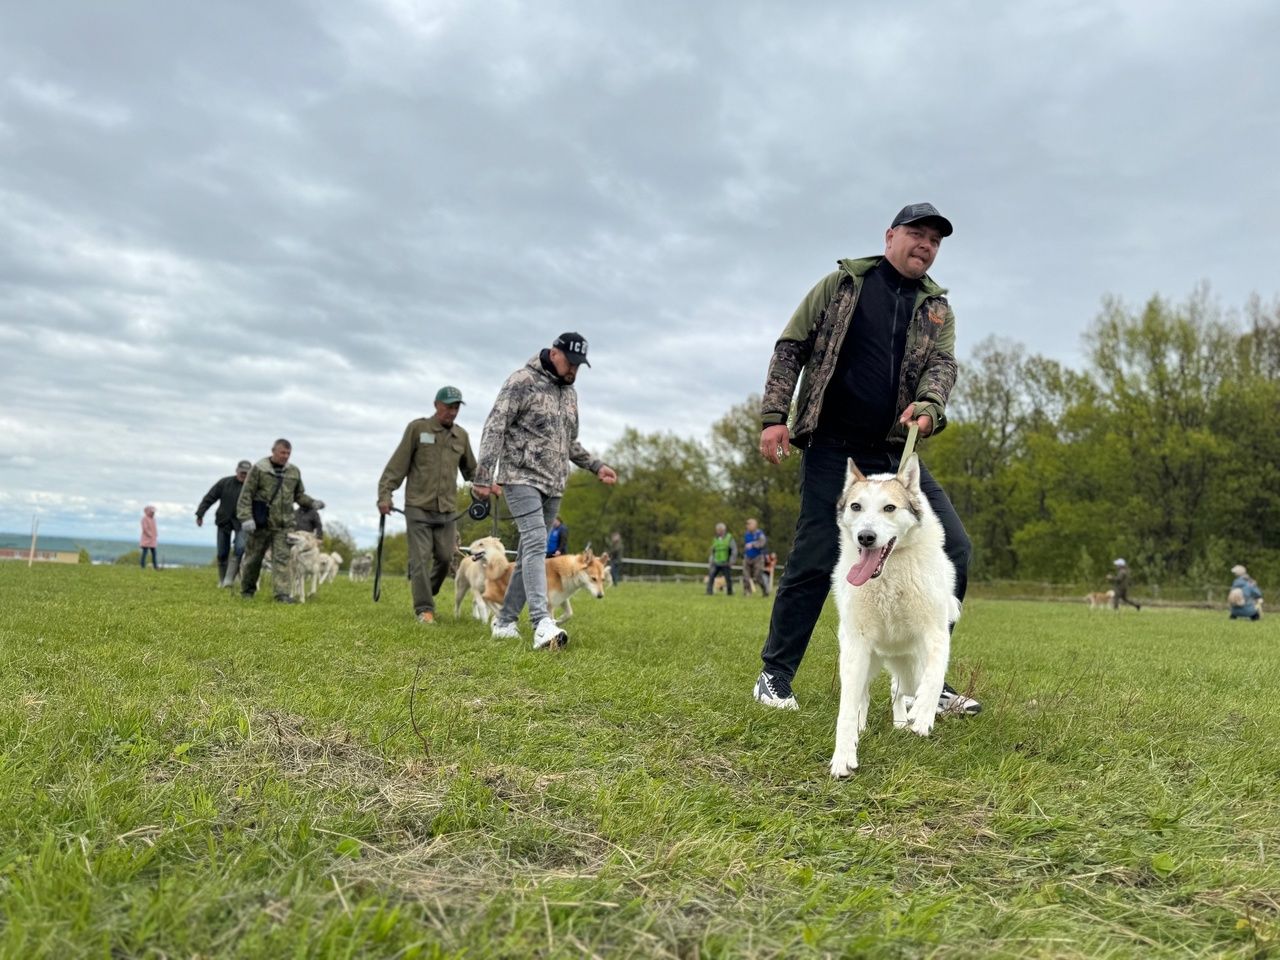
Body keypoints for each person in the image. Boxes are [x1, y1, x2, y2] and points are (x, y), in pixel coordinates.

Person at [752, 202, 980, 716]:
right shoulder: (842, 286)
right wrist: (773, 415)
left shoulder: (936, 308)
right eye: (917, 234)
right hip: (833, 444)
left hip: (896, 453)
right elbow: (791, 346)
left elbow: (942, 367)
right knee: (814, 554)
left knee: (956, 549)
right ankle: (775, 675)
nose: (926, 245)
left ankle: (925, 683)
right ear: (890, 236)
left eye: (935, 240)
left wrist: (930, 406)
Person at [473, 332, 617, 649]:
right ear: (554, 354)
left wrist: (596, 465)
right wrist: (483, 475)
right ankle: (542, 623)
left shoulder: (570, 394)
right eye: (571, 362)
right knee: (537, 540)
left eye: (580, 365)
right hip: (520, 476)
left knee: (528, 554)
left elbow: (570, 442)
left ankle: (505, 621)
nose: (574, 370)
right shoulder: (521, 381)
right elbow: (494, 426)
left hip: (554, 483)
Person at [377, 386, 478, 624]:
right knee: (420, 559)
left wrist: (486, 485)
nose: (452, 412)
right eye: (448, 407)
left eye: (456, 408)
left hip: (447, 510)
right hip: (418, 507)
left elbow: (471, 470)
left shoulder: (461, 436)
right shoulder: (417, 429)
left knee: (445, 558)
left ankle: (424, 590)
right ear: (436, 405)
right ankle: (424, 608)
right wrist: (385, 495)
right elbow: (397, 465)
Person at [236, 439, 323, 603]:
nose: (285, 456)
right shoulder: (259, 469)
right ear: (273, 451)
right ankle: (247, 590)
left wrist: (312, 503)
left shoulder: (293, 472)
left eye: (288, 453)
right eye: (282, 452)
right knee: (254, 558)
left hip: (284, 524)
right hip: (261, 523)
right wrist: (246, 518)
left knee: (282, 559)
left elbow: (299, 495)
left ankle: (281, 594)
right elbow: (246, 495)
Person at [196, 459, 251, 587]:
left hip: (243, 523)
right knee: (222, 553)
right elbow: (210, 497)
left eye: (247, 473)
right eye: (242, 472)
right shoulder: (224, 482)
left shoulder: (253, 487)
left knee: (240, 548)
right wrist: (200, 513)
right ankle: (221, 580)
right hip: (223, 521)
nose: (244, 475)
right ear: (237, 471)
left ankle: (229, 580)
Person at [706, 523, 737, 595]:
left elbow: (734, 550)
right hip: (716, 562)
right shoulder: (715, 539)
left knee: (728, 578)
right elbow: (713, 551)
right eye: (717, 530)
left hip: (726, 562)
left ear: (723, 530)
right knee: (711, 576)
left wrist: (732, 560)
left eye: (719, 530)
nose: (718, 531)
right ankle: (709, 592)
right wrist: (711, 560)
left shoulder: (729, 538)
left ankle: (730, 592)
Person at [742, 518, 769, 596]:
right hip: (747, 557)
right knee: (745, 575)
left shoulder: (759, 534)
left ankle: (765, 590)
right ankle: (747, 591)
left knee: (757, 576)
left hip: (758, 557)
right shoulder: (746, 534)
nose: (747, 526)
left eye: (749, 524)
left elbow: (763, 543)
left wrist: (753, 544)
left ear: (754, 525)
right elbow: (745, 544)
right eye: (747, 524)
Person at [139, 505, 159, 569]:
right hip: (146, 539)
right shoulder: (144, 519)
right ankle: (142, 566)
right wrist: (150, 535)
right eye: (152, 512)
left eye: (153, 512)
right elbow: (145, 528)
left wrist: (155, 535)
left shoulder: (153, 519)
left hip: (153, 540)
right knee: (145, 553)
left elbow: (154, 529)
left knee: (154, 553)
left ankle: (155, 566)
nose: (153, 513)